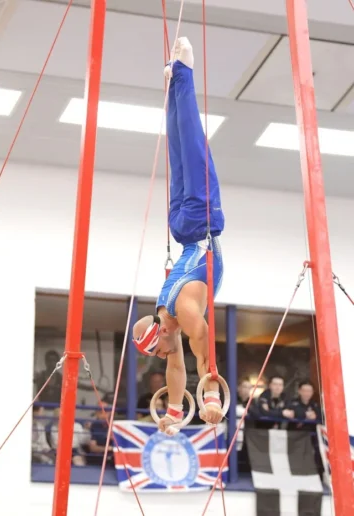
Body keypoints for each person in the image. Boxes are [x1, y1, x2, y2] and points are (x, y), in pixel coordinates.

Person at [132, 37, 225, 435]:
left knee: (190, 143)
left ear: (162, 333)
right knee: (178, 147)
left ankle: (183, 72)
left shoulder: (184, 313)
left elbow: (205, 354)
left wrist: (210, 398)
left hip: (199, 225)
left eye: (160, 349)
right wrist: (172, 411)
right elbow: (178, 366)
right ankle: (173, 82)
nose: (165, 357)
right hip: (184, 228)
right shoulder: (166, 315)